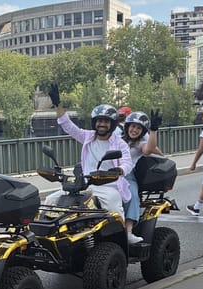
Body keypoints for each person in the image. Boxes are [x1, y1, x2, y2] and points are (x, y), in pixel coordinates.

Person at [46, 85, 139, 244]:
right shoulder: (87, 137)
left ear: (112, 124)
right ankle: (52, 240)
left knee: (114, 208)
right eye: (99, 121)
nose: (101, 124)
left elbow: (127, 162)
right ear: (94, 122)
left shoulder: (119, 143)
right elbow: (68, 126)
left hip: (108, 186)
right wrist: (58, 105)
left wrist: (120, 170)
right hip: (85, 185)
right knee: (50, 201)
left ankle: (122, 240)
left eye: (105, 121)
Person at [121, 110, 162, 236]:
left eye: (139, 128)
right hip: (109, 174)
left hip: (127, 175)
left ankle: (129, 231)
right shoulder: (117, 138)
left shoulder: (140, 143)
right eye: (133, 126)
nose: (134, 130)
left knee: (132, 195)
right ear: (127, 126)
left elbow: (149, 149)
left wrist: (153, 130)